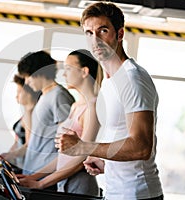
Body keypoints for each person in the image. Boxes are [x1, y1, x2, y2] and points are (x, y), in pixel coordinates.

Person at [55, 2, 163, 200]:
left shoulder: (132, 79)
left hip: (137, 194)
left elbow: (141, 146)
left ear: (120, 34)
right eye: (89, 33)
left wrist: (84, 147)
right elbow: (122, 135)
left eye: (102, 31)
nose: (95, 40)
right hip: (116, 191)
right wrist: (105, 160)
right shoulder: (109, 80)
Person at [17, 49, 103, 196]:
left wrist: (42, 183)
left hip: (79, 185)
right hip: (64, 183)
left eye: (68, 69)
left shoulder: (92, 108)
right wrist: (33, 177)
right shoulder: (76, 106)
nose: (64, 74)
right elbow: (63, 156)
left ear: (84, 72)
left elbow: (82, 156)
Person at [17, 50, 75, 189]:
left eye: (28, 77)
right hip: (33, 174)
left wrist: (39, 179)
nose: (26, 82)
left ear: (38, 73)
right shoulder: (44, 96)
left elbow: (69, 144)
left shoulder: (59, 96)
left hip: (45, 179)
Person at [0, 74, 40, 170]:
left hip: (25, 165)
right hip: (18, 161)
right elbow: (18, 141)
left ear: (29, 92)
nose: (16, 96)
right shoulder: (26, 113)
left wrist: (11, 155)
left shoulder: (34, 114)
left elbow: (29, 145)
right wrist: (7, 155)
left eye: (19, 92)